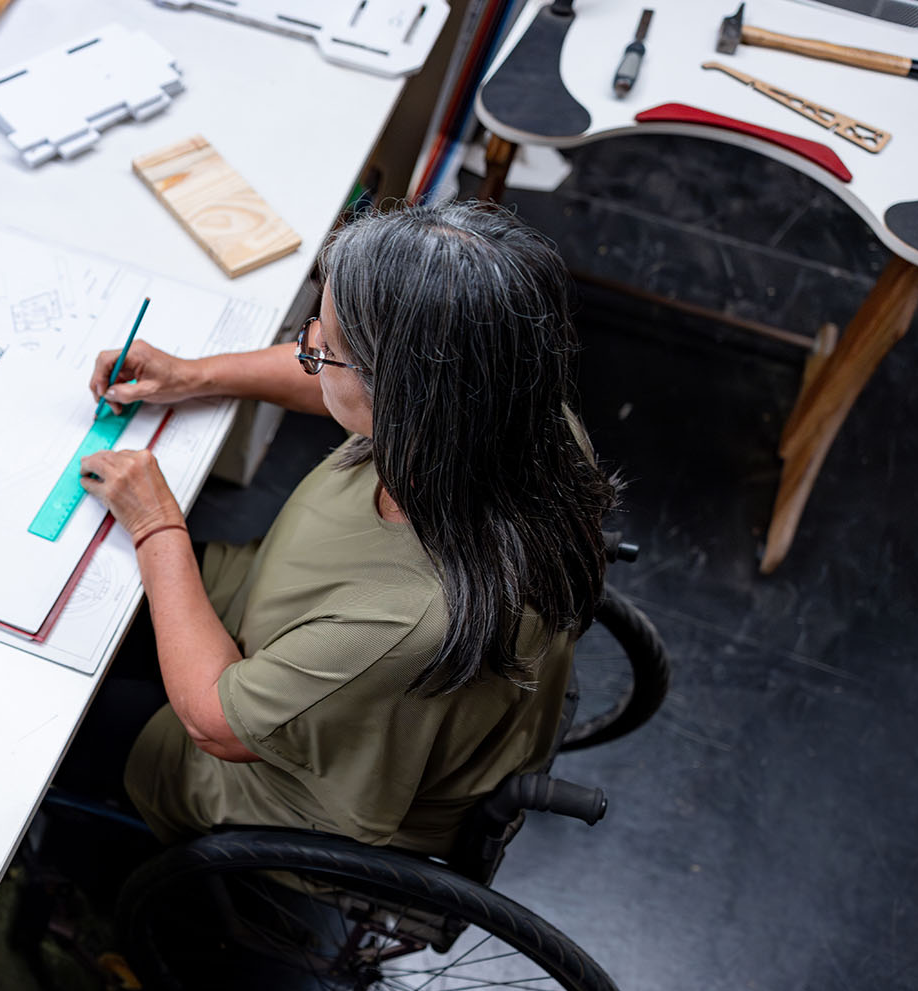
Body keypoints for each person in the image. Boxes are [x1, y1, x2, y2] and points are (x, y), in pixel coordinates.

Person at [71, 201, 618, 857]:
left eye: (322, 349)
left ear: (401, 395)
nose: (306, 351)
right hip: (295, 623)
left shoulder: (410, 616)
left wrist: (158, 527)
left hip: (279, 778)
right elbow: (338, 383)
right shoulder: (512, 415)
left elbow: (215, 726)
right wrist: (196, 375)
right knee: (89, 613)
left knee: (67, 722)